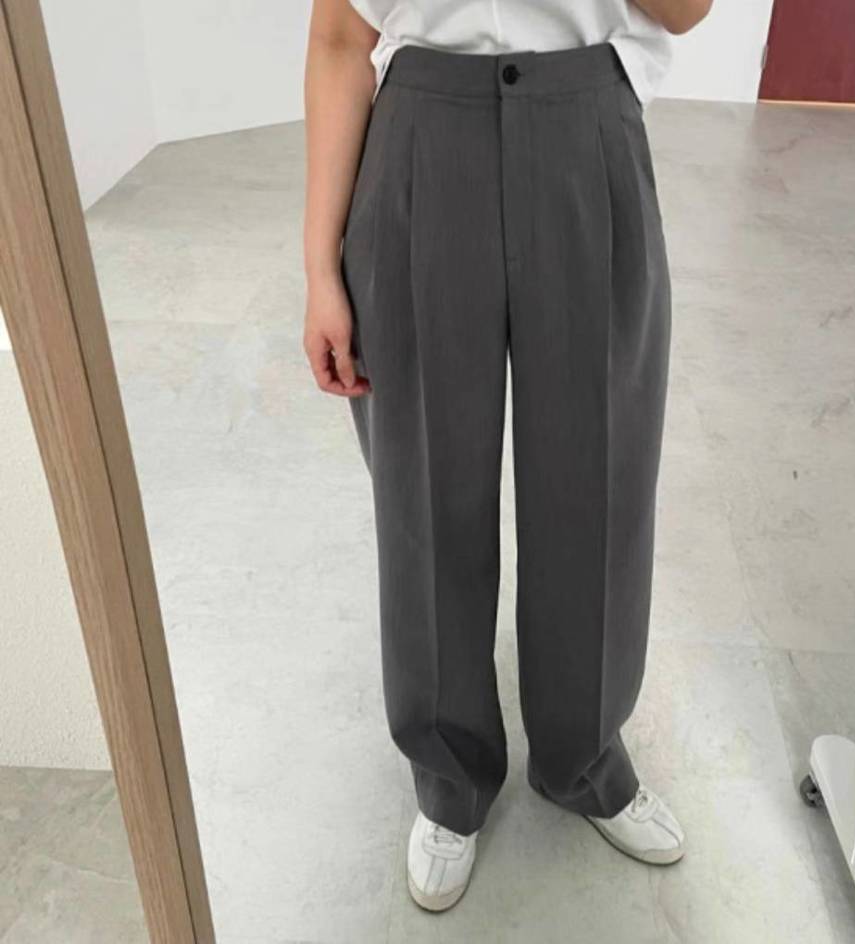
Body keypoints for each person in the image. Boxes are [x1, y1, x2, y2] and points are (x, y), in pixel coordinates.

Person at [303, 0, 712, 913]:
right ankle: (449, 777)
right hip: (421, 140)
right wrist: (320, 268)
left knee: (597, 478)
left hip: (586, 132)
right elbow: (337, 40)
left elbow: (688, 12)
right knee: (425, 488)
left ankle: (585, 757)